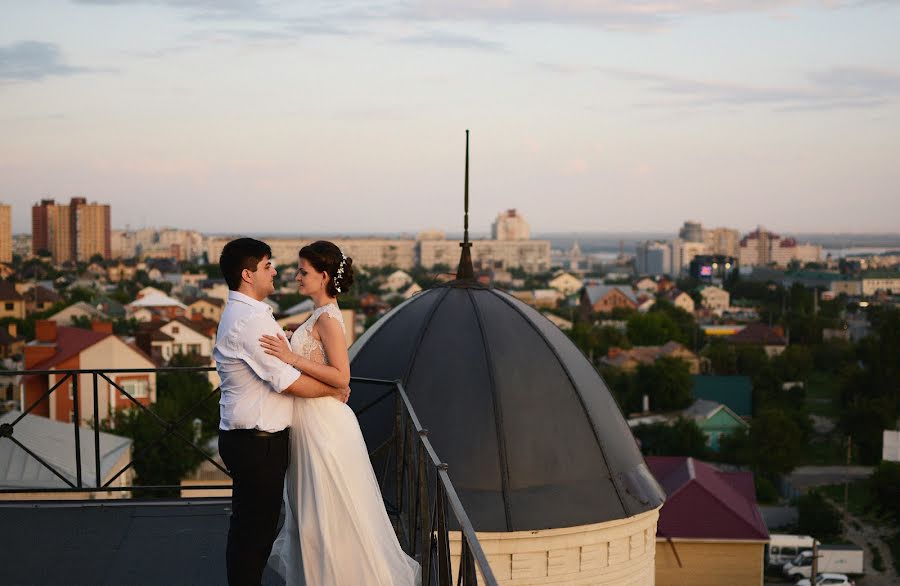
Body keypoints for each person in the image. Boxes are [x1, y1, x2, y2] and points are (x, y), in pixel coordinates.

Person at [263, 241, 420, 585]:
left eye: (303, 272)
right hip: (310, 420)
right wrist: (294, 341)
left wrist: (291, 356)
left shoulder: (329, 318)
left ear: (322, 276)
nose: (297, 276)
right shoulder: (319, 314)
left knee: (328, 513)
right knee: (312, 514)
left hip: (324, 424)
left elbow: (342, 377)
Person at [214, 238, 350, 586]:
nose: (277, 271)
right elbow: (287, 382)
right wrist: (334, 389)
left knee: (258, 529)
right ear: (247, 274)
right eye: (267, 265)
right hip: (257, 441)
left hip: (267, 439)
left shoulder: (255, 313)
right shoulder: (250, 321)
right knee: (254, 535)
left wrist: (293, 348)